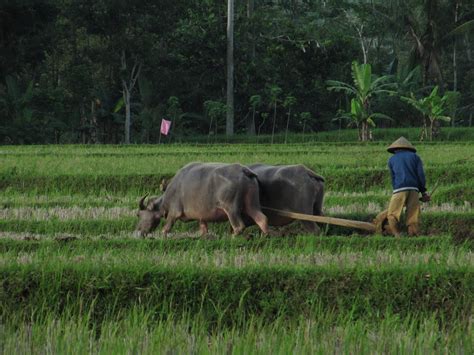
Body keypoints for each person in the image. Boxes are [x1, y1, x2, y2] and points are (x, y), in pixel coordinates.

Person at [386, 137, 430, 237]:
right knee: (413, 215)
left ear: (395, 149)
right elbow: (421, 176)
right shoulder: (415, 157)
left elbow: (393, 177)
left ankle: (397, 235)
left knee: (392, 214)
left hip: (399, 189)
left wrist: (395, 190)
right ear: (408, 148)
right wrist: (423, 192)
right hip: (414, 189)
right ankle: (413, 236)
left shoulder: (391, 159)